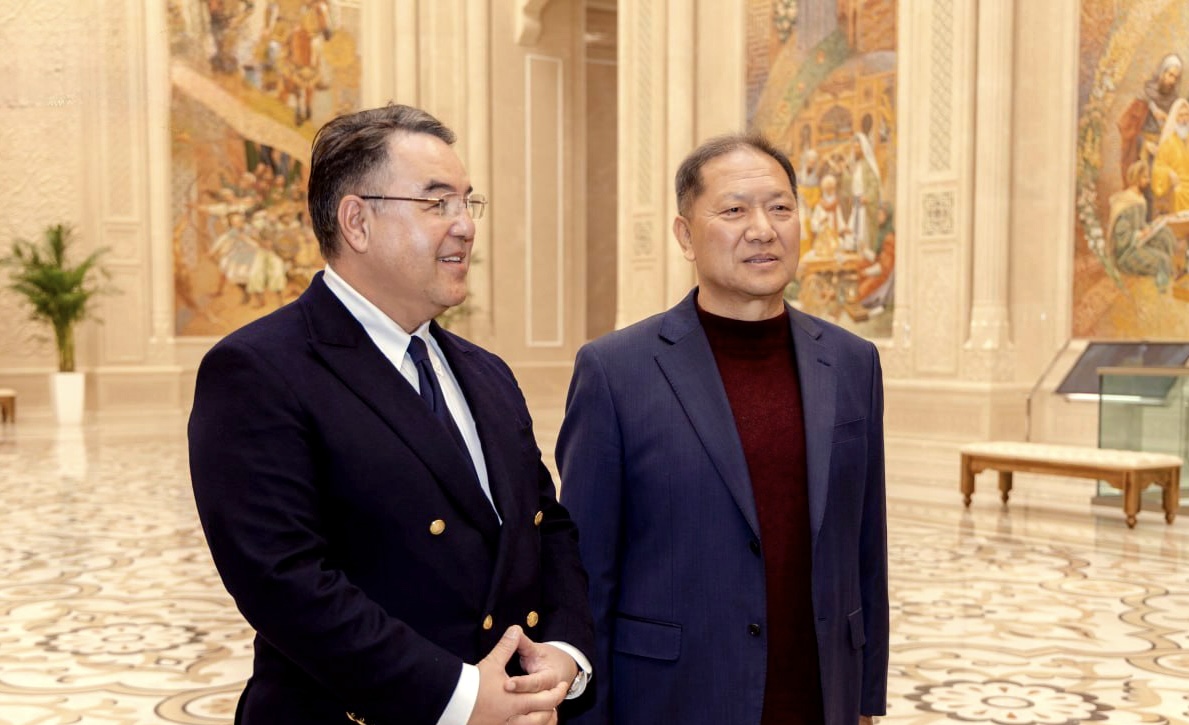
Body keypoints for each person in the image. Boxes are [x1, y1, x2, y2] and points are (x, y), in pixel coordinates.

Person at [189, 104, 593, 725]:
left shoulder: (486, 372)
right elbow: (284, 580)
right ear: (357, 221)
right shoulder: (258, 369)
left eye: (468, 202)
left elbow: (545, 525)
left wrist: (564, 652)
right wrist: (459, 697)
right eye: (437, 203)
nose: (465, 226)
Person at [556, 132, 888, 725]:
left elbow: (866, 546)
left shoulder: (851, 361)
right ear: (686, 236)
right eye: (734, 210)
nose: (762, 229)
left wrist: (864, 701)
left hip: (816, 697)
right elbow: (585, 572)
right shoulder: (616, 370)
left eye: (780, 208)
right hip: (674, 699)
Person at [1110, 160, 1180, 293]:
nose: (1148, 180)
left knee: (1166, 235)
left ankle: (1173, 273)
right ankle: (1163, 288)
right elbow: (1121, 236)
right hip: (1128, 252)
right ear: (1136, 178)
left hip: (1140, 242)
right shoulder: (1125, 203)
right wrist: (1140, 234)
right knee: (1162, 260)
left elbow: (1141, 224)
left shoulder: (1140, 198)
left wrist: (1154, 226)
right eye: (1145, 177)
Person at [1118, 53, 1182, 187]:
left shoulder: (1176, 103)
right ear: (1162, 73)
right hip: (1143, 155)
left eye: (1176, 78)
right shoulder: (1144, 99)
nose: (1172, 81)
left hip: (1166, 157)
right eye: (1170, 75)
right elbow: (1127, 129)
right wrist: (1145, 143)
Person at [1151, 97, 1189, 214]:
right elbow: (1158, 167)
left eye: (1187, 115)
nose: (1184, 119)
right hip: (1178, 186)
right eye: (1181, 115)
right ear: (1175, 118)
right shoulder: (1168, 142)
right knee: (1179, 192)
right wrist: (1169, 173)